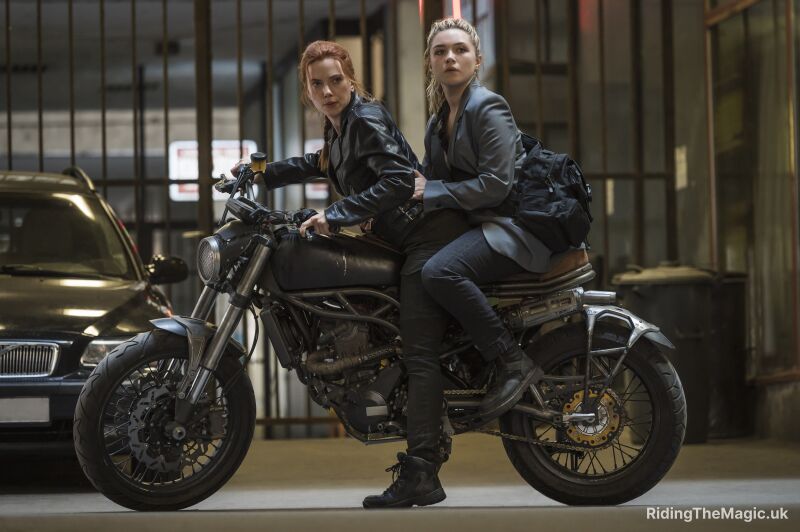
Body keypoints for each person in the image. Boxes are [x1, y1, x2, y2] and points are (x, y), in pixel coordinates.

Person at [234, 40, 469, 508]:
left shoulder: (365, 118)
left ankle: (423, 470)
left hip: (422, 236)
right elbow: (319, 162)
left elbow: (400, 181)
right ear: (307, 89)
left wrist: (337, 214)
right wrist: (258, 172)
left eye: (335, 80)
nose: (328, 90)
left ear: (351, 79)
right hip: (393, 238)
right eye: (317, 84)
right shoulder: (339, 124)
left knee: (418, 350)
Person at [415, 18, 551, 420]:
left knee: (440, 272)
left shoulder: (487, 106)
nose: (450, 57)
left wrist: (431, 191)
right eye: (440, 52)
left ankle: (511, 361)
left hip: (512, 227)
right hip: (479, 225)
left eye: (460, 50)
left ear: (477, 60)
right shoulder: (438, 120)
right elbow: (426, 180)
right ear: (430, 62)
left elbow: (496, 185)